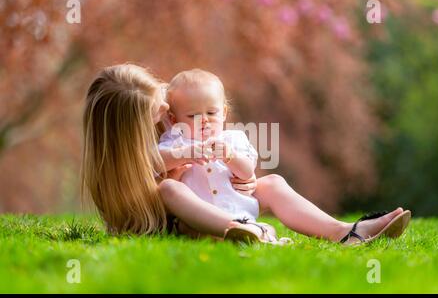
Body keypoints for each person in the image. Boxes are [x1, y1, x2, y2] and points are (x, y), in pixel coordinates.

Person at [81, 63, 411, 245]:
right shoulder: (148, 156)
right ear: (133, 130)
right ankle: (242, 228)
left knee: (273, 183)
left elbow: (240, 164)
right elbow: (163, 174)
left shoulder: (190, 124)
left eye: (166, 102)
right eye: (160, 111)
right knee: (169, 188)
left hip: (225, 202)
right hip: (195, 222)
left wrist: (246, 172)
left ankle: (345, 231)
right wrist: (178, 163)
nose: (171, 113)